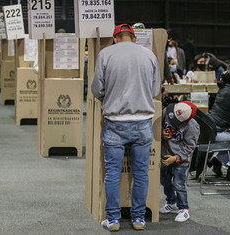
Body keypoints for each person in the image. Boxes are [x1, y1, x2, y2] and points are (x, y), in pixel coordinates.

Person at [91, 24, 161, 231]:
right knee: (141, 173)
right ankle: (138, 218)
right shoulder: (149, 55)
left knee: (112, 173)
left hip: (115, 122)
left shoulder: (105, 54)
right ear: (134, 38)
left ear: (115, 38)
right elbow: (155, 90)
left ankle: (113, 220)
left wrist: (110, 98)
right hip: (143, 122)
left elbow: (96, 88)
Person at [160, 101, 199, 222]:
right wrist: (161, 133)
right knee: (164, 180)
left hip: (180, 160)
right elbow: (156, 124)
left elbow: (189, 147)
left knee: (178, 184)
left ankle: (184, 209)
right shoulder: (167, 111)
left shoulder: (192, 126)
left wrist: (176, 158)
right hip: (165, 154)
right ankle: (171, 202)